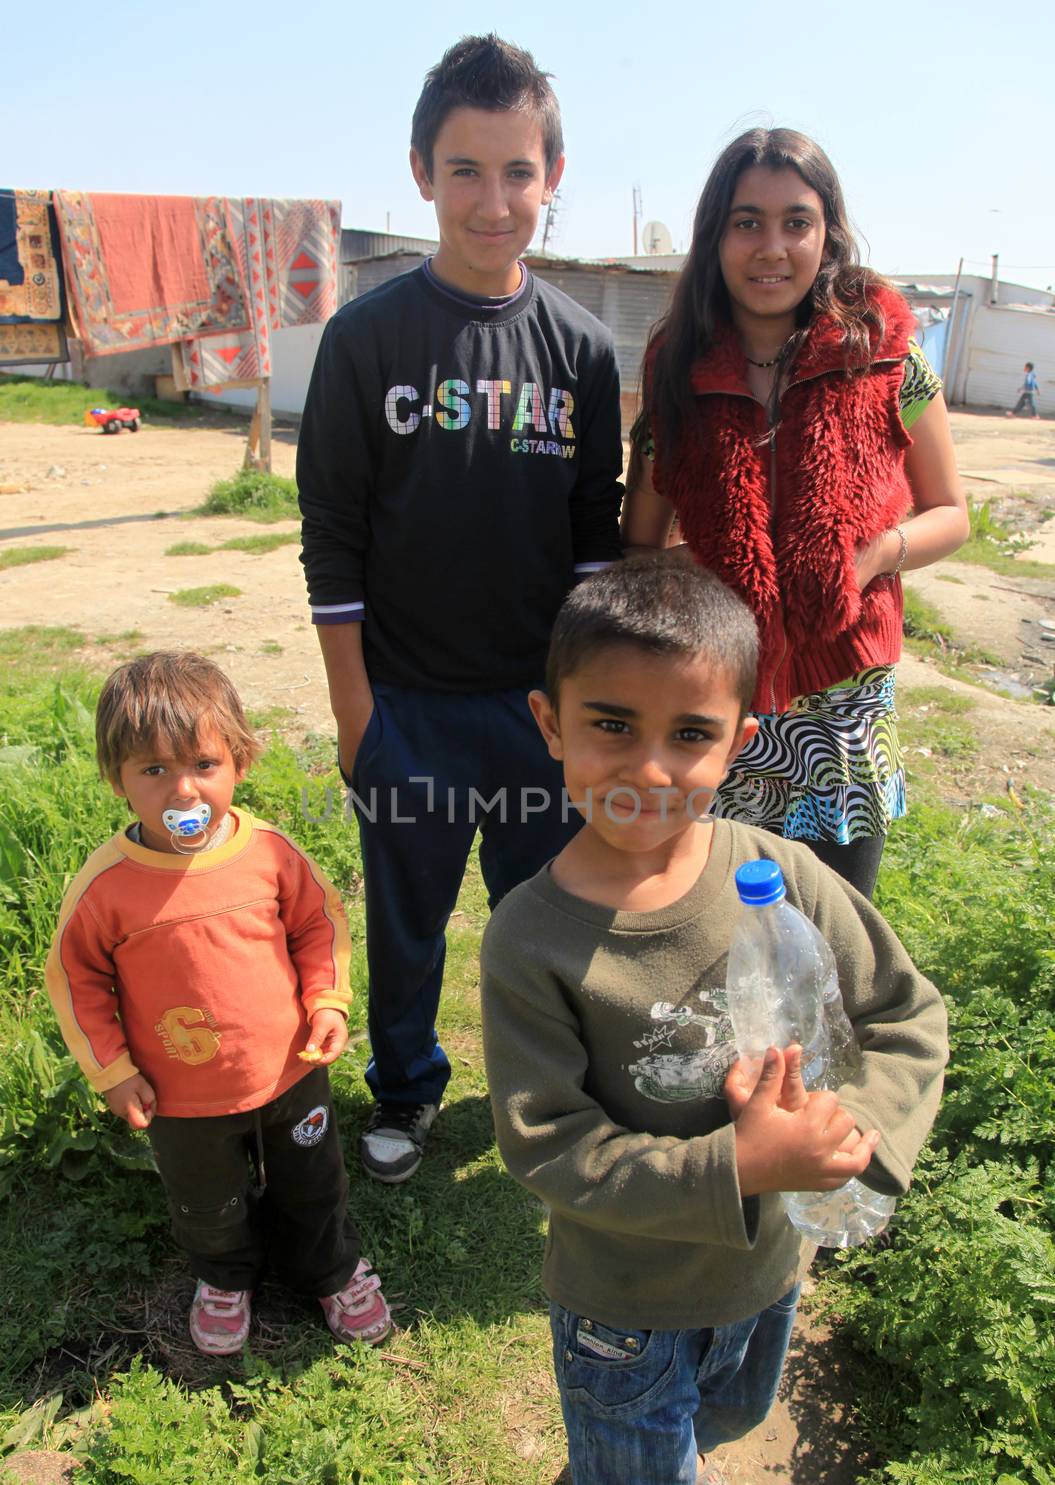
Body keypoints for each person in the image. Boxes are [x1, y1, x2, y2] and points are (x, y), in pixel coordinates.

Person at [479, 557, 947, 1485]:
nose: (649, 766)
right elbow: (549, 1143)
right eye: (610, 725)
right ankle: (634, 1483)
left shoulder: (781, 875)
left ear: (740, 740)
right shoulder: (531, 937)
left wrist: (847, 1129)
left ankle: (675, 1455)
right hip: (623, 1300)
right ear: (548, 725)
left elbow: (905, 1014)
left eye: (689, 734)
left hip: (768, 1270)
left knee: (727, 1410)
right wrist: (737, 1161)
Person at [298, 34, 623, 1183]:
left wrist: (588, 717)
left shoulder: (580, 351)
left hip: (540, 709)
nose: (493, 201)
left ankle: (547, 1096)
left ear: (553, 174)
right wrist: (357, 719)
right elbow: (330, 539)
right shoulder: (365, 338)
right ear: (421, 173)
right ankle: (403, 1089)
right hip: (410, 708)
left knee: (550, 920)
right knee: (408, 923)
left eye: (517, 172)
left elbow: (596, 546)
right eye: (465, 170)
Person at [622, 128, 968, 901]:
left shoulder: (884, 355)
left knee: (831, 944)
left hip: (841, 712)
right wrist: (704, 567)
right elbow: (638, 543)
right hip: (718, 700)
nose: (770, 247)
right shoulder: (676, 362)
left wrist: (876, 554)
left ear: (828, 235)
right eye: (746, 222)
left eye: (795, 223)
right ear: (715, 237)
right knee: (710, 932)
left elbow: (951, 513)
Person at [45, 651, 391, 1357]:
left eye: (203, 765)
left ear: (239, 761)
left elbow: (317, 925)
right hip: (179, 1093)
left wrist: (328, 1002)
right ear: (117, 780)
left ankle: (329, 1271)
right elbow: (75, 981)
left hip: (291, 1072)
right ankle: (224, 1277)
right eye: (152, 770)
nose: (183, 791)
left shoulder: (269, 853)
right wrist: (112, 1070)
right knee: (206, 1201)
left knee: (313, 1183)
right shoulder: (105, 888)